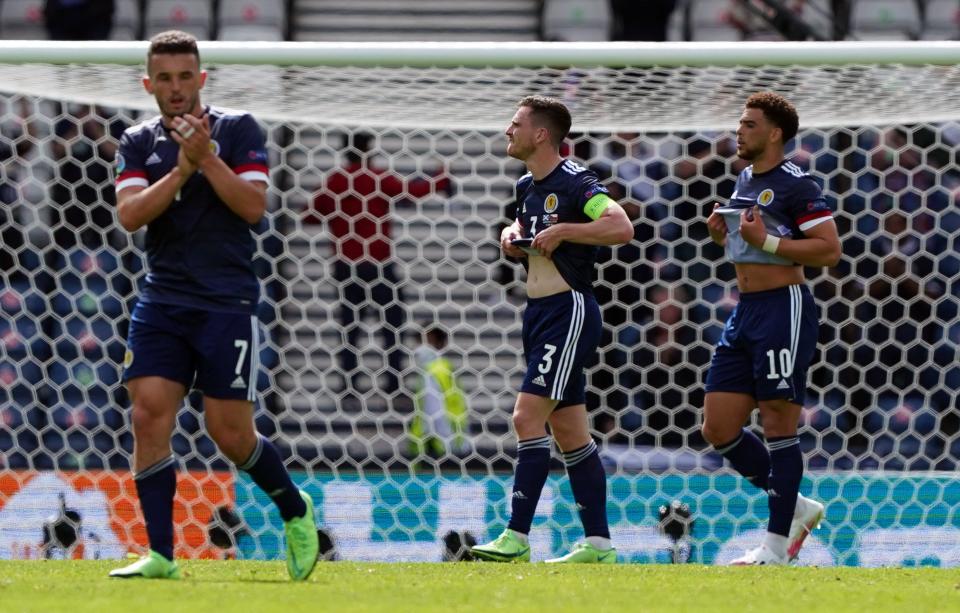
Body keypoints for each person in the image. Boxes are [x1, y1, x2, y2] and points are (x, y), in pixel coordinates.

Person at [108, 31, 318, 580]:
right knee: (148, 413)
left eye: (185, 77)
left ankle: (296, 510)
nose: (176, 89)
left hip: (227, 299)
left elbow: (252, 207)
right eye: (165, 79)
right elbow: (129, 216)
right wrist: (181, 168)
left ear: (201, 80)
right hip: (162, 298)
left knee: (229, 434)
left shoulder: (238, 128)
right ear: (147, 84)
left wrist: (205, 160)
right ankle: (160, 555)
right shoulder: (136, 141)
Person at [470, 96, 634, 564]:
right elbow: (529, 227)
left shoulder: (578, 181)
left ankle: (517, 536)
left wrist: (565, 231)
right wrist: (512, 237)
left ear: (541, 134)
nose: (508, 129)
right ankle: (599, 545)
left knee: (526, 418)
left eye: (516, 123)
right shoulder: (527, 185)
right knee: (570, 433)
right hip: (538, 312)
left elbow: (620, 227)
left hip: (569, 310)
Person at [701, 92, 841, 565]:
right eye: (740, 123)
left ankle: (776, 548)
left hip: (785, 307)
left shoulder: (797, 184)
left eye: (749, 124)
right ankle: (797, 506)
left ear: (775, 133)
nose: (739, 131)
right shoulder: (744, 179)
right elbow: (753, 243)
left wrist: (769, 240)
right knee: (718, 426)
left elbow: (828, 250)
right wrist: (728, 236)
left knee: (779, 424)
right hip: (746, 309)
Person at [304, 132, 449, 398]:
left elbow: (309, 213)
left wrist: (340, 218)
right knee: (392, 325)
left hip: (346, 265)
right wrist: (440, 177)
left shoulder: (336, 181)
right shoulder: (376, 177)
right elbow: (411, 191)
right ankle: (392, 385)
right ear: (369, 151)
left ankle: (348, 387)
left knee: (350, 326)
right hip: (378, 263)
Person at [409, 324, 469, 458]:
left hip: (438, 446)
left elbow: (434, 411)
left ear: (440, 344)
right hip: (452, 440)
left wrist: (444, 441)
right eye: (420, 341)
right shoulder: (445, 367)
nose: (420, 347)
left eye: (426, 341)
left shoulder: (433, 371)